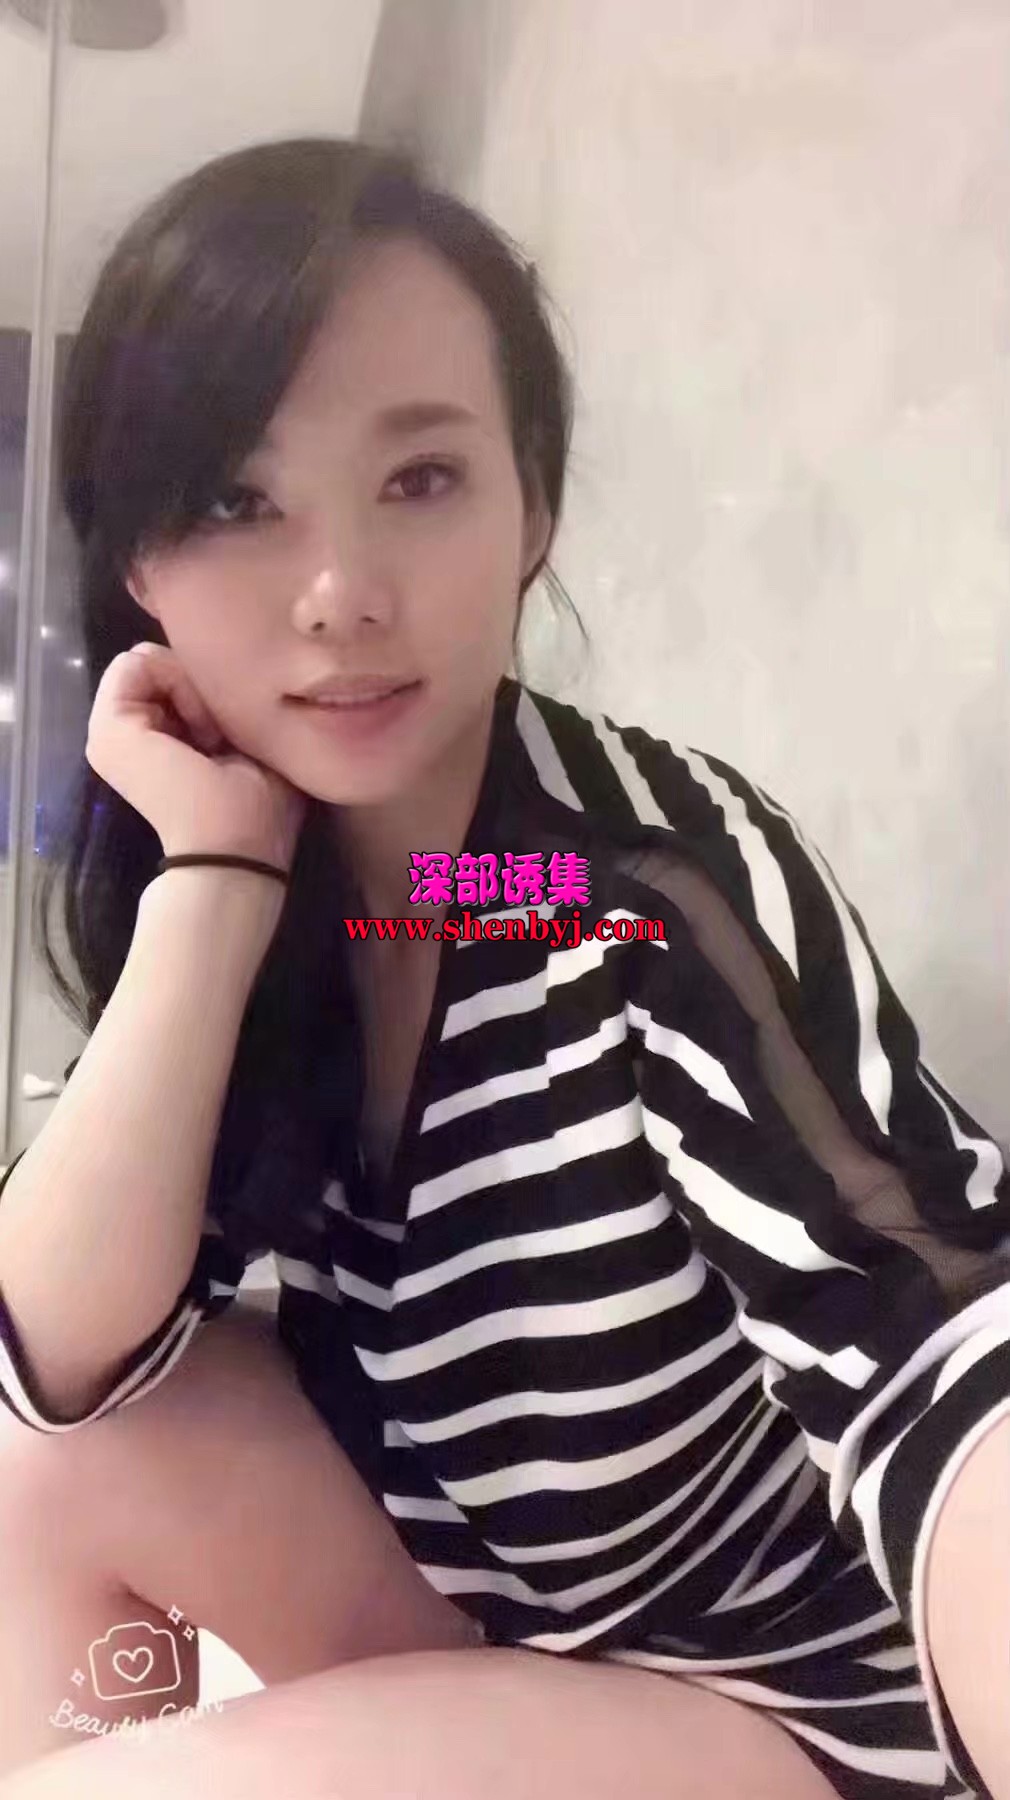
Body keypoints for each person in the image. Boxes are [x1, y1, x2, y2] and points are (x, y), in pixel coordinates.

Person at [0, 136, 1006, 1800]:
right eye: (237, 501)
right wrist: (219, 878)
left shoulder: (627, 885)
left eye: (420, 479)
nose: (341, 597)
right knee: (47, 1464)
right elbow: (57, 1353)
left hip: (768, 1691)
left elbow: (923, 1326)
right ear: (138, 562)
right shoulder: (339, 890)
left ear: (531, 503)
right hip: (513, 1624)